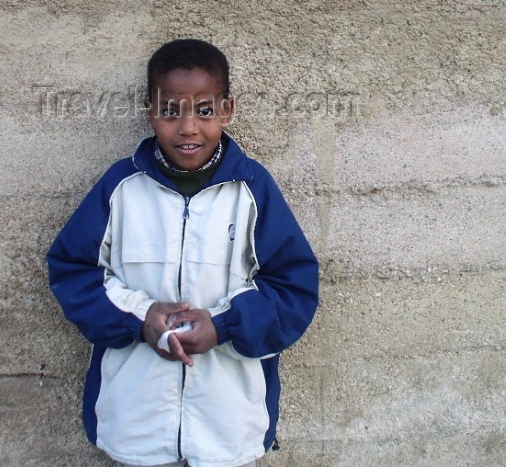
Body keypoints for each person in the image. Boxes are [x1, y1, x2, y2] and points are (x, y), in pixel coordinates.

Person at [47, 38, 319, 467]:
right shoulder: (122, 188)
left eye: (205, 111)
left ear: (226, 110)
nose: (188, 126)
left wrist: (223, 325)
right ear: (150, 111)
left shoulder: (252, 190)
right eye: (171, 110)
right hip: (136, 421)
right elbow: (72, 269)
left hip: (228, 424)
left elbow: (293, 286)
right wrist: (140, 318)